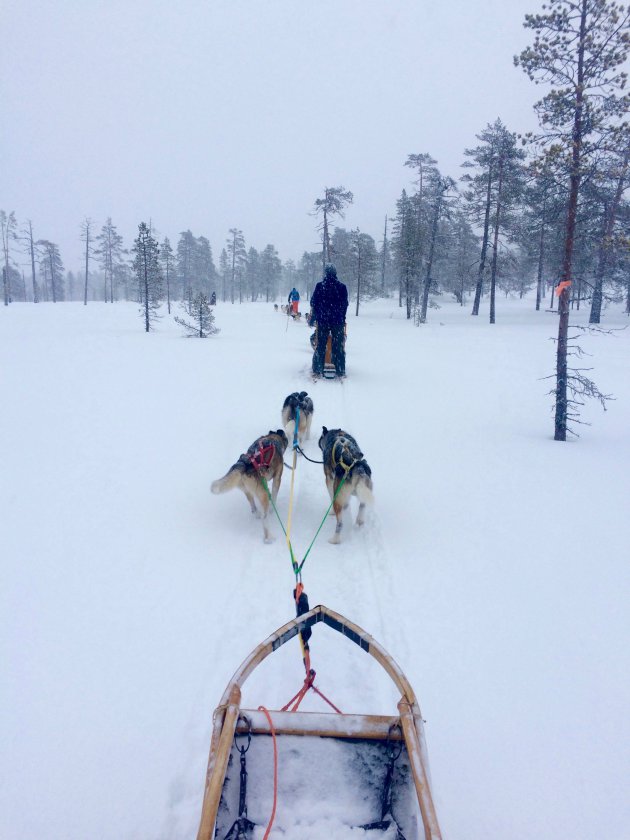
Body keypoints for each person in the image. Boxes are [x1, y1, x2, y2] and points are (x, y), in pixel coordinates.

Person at [309, 264, 348, 377]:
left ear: (325, 273)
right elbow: (345, 304)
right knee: (338, 346)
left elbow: (313, 303)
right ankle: (340, 370)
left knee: (320, 345)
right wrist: (342, 317)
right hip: (337, 321)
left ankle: (317, 369)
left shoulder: (320, 286)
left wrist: (316, 316)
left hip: (323, 320)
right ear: (335, 273)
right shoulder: (342, 287)